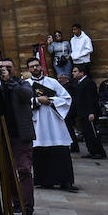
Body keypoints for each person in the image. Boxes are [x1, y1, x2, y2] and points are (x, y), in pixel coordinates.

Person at [27, 58, 76, 191]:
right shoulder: (26, 84)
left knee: (60, 151)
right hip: (38, 123)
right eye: (32, 66)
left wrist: (51, 100)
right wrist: (38, 100)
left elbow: (66, 98)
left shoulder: (52, 82)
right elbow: (23, 103)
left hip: (55, 122)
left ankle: (65, 181)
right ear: (28, 69)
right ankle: (45, 181)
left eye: (37, 65)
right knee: (40, 150)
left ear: (41, 66)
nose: (35, 68)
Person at [0, 58, 36, 215]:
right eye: (2, 67)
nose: (5, 69)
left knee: (24, 169)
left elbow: (27, 95)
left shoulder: (22, 83)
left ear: (14, 69)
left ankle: (27, 208)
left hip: (21, 135)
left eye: (8, 67)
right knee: (7, 172)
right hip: (2, 135)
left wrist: (10, 82)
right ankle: (17, 203)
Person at [69, 64, 106, 159]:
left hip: (89, 113)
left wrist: (91, 112)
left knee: (92, 133)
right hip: (82, 112)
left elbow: (91, 99)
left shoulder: (89, 82)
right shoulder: (78, 83)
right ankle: (91, 151)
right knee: (86, 133)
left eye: (75, 71)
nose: (73, 73)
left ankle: (98, 152)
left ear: (82, 73)